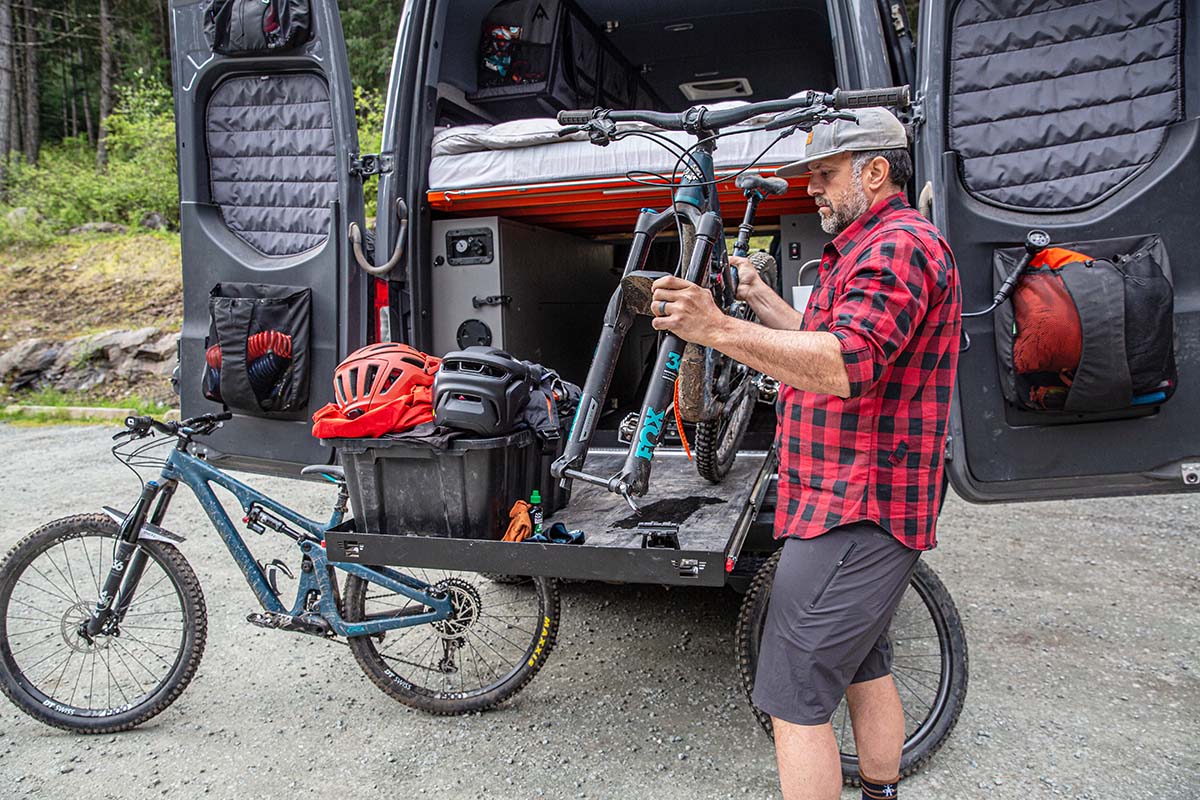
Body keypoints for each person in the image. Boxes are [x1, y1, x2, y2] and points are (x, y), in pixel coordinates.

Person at [649, 107, 961, 800]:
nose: (811, 187)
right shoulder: (867, 244)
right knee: (864, 666)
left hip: (859, 505)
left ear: (874, 172)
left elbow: (847, 362)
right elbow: (821, 336)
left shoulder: (898, 246)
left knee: (792, 696)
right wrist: (758, 299)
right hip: (840, 497)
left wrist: (716, 327)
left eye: (825, 173)